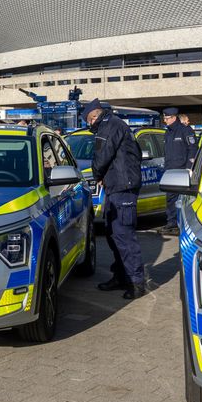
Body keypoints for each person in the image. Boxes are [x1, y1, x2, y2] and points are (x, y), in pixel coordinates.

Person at [83, 98, 146, 299]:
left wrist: (97, 175)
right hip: (117, 186)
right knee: (113, 233)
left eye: (88, 121)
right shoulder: (114, 124)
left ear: (93, 117)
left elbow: (102, 156)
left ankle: (136, 283)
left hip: (122, 187)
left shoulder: (109, 126)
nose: (89, 125)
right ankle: (120, 276)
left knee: (124, 236)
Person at [160, 107, 196, 236]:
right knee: (170, 198)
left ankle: (183, 224)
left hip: (182, 171)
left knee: (183, 200)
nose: (165, 120)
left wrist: (189, 168)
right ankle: (172, 223)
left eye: (167, 118)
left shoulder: (185, 131)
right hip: (170, 170)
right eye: (164, 118)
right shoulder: (167, 132)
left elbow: (193, 149)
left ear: (174, 117)